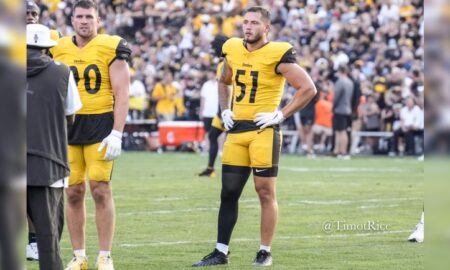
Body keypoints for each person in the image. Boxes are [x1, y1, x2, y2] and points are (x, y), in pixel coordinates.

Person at [192, 6, 316, 267]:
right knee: (229, 192)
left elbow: (308, 88)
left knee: (265, 192)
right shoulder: (233, 48)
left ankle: (264, 250)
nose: (248, 27)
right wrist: (225, 109)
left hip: (263, 130)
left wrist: (281, 115)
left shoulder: (278, 52)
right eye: (245, 22)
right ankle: (220, 252)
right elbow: (224, 80)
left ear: (266, 27)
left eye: (254, 23)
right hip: (236, 130)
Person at [50, 1, 131, 269]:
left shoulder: (111, 46)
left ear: (98, 20)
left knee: (100, 189)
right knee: (72, 191)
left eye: (89, 17)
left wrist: (117, 132)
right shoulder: (57, 46)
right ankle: (79, 255)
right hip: (68, 125)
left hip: (100, 124)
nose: (84, 21)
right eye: (80, 16)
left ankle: (105, 255)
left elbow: (122, 94)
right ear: (72, 19)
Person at [26, 23, 82, 270]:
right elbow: (71, 114)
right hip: (49, 163)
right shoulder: (62, 72)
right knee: (49, 240)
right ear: (48, 47)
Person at [26, 1, 61, 260]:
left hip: (43, 129)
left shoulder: (51, 43)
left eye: (34, 13)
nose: (29, 17)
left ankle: (36, 241)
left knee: (43, 197)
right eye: (25, 13)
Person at [198, 35, 228, 177]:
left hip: (230, 110)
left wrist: (225, 110)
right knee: (212, 135)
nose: (211, 51)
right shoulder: (221, 63)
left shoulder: (227, 64)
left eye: (213, 47)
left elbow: (229, 89)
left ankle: (236, 171)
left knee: (234, 141)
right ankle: (210, 168)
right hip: (221, 109)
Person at [332, 65, 354, 159]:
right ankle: (340, 151)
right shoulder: (350, 82)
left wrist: (333, 106)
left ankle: (343, 151)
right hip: (347, 108)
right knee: (343, 131)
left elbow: (336, 96)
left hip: (340, 109)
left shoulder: (340, 82)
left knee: (341, 131)